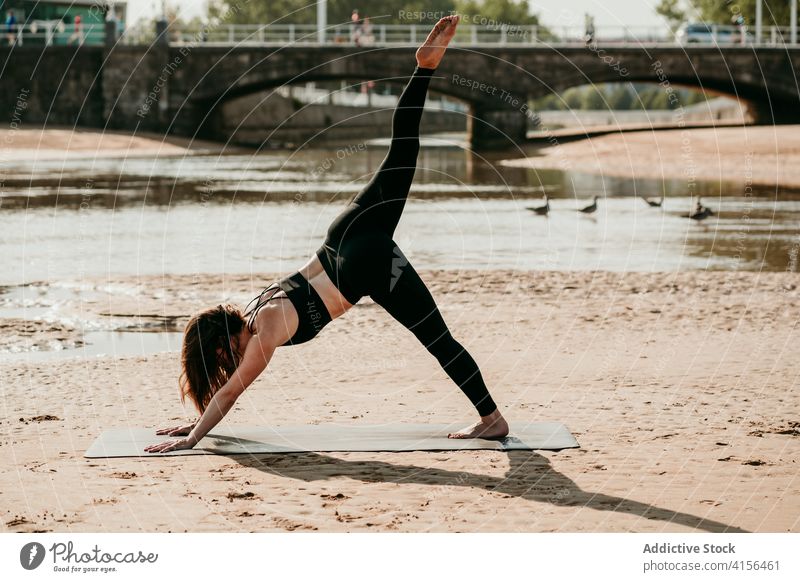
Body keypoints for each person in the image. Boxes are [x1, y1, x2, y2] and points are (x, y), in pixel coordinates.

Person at [146, 15, 509, 455]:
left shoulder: (265, 335)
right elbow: (223, 392)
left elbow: (230, 393)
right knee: (401, 151)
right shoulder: (256, 304)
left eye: (220, 359)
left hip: (365, 264)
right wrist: (194, 424)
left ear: (223, 344)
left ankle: (492, 419)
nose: (226, 367)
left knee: (437, 339)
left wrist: (192, 438)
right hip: (343, 234)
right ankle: (424, 69)